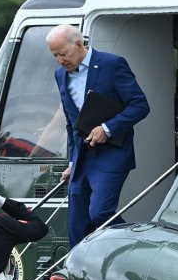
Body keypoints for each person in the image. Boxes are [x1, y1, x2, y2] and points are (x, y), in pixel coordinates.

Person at [46, 24, 150, 247]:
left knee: (101, 213)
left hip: (112, 155)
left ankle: (137, 246)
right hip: (81, 159)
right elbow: (71, 123)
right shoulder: (60, 75)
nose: (60, 60)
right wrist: (73, 161)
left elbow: (140, 105)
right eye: (55, 55)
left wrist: (107, 128)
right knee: (76, 226)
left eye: (63, 54)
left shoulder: (112, 65)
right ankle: (79, 277)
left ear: (79, 44)